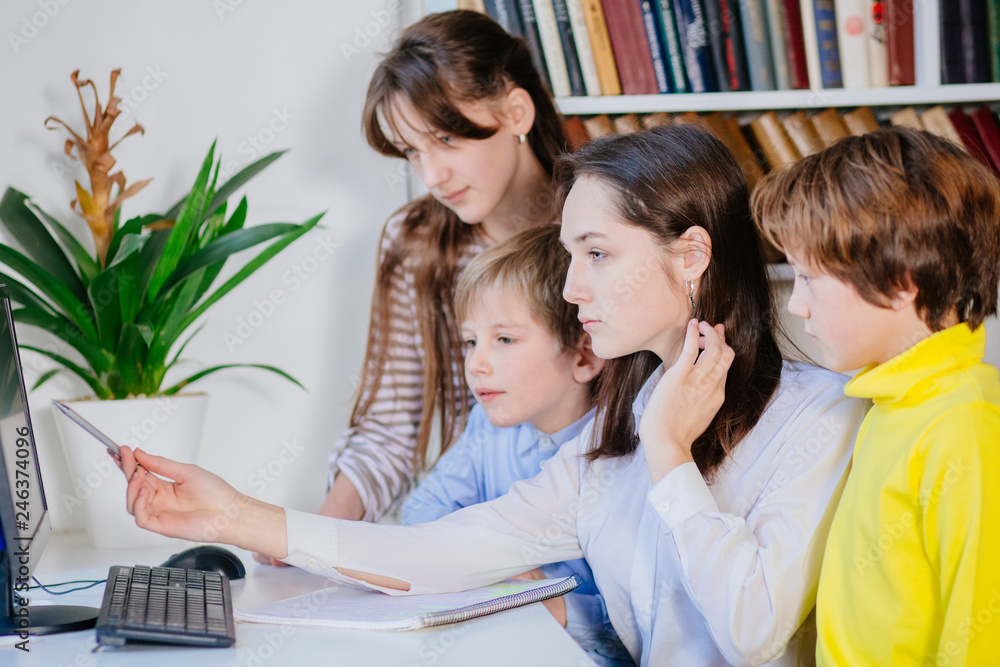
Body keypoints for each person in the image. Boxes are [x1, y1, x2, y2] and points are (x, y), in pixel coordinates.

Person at [116, 125, 868, 666]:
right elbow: (442, 552)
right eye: (572, 256)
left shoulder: (821, 414)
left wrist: (672, 457)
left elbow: (752, 631)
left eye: (597, 254)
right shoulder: (616, 439)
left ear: (692, 254)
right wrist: (234, 515)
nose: (573, 289)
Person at [753, 126, 1000, 666]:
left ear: (900, 279)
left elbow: (982, 634)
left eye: (809, 277)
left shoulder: (965, 423)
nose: (796, 304)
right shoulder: (895, 401)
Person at [317, 10, 566, 529]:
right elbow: (391, 429)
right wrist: (318, 538)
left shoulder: (602, 225)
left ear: (516, 111)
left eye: (447, 140)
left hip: (600, 530)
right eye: (412, 151)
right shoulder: (416, 244)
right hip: (476, 534)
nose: (432, 175)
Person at [400, 224, 629, 664]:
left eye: (503, 339)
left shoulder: (621, 451)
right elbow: (422, 511)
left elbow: (639, 620)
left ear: (584, 355)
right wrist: (494, 558)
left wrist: (557, 606)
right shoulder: (487, 429)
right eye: (470, 342)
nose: (476, 364)